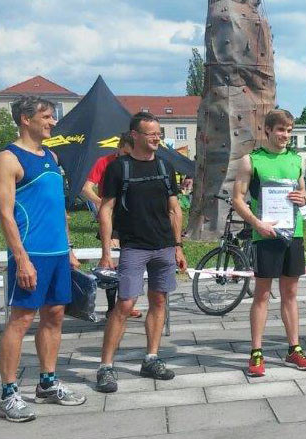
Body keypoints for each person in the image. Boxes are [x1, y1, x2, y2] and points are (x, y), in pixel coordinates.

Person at [0, 96, 86, 422]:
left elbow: (58, 208)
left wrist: (69, 248)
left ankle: (47, 383)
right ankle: (8, 393)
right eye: (46, 116)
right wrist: (21, 259)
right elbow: (4, 214)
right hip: (30, 253)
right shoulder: (8, 158)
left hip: (57, 253)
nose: (52, 122)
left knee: (55, 316)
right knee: (20, 320)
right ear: (25, 118)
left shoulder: (51, 156)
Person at [95, 112, 188, 393]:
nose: (157, 138)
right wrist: (106, 250)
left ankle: (151, 358)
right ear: (135, 135)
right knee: (124, 305)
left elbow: (175, 209)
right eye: (151, 134)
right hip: (134, 246)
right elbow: (106, 209)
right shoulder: (118, 168)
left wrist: (178, 246)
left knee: (159, 301)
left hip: (164, 246)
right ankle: (106, 367)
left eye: (159, 133)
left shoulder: (164, 166)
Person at [231, 109, 306, 377]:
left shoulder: (296, 160)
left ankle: (294, 349)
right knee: (262, 294)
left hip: (294, 233)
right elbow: (237, 199)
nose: (285, 135)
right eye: (281, 130)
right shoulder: (251, 160)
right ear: (267, 130)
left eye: (289, 131)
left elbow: (301, 191)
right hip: (265, 234)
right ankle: (256, 352)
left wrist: (303, 198)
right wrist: (256, 224)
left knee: (290, 294)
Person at [81, 132, 142, 319]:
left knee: (131, 262)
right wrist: (101, 202)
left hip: (133, 217)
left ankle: (127, 303)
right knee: (112, 262)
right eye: (125, 153)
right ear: (119, 147)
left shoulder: (137, 162)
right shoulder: (104, 162)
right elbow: (86, 188)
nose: (128, 158)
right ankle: (111, 308)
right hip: (112, 218)